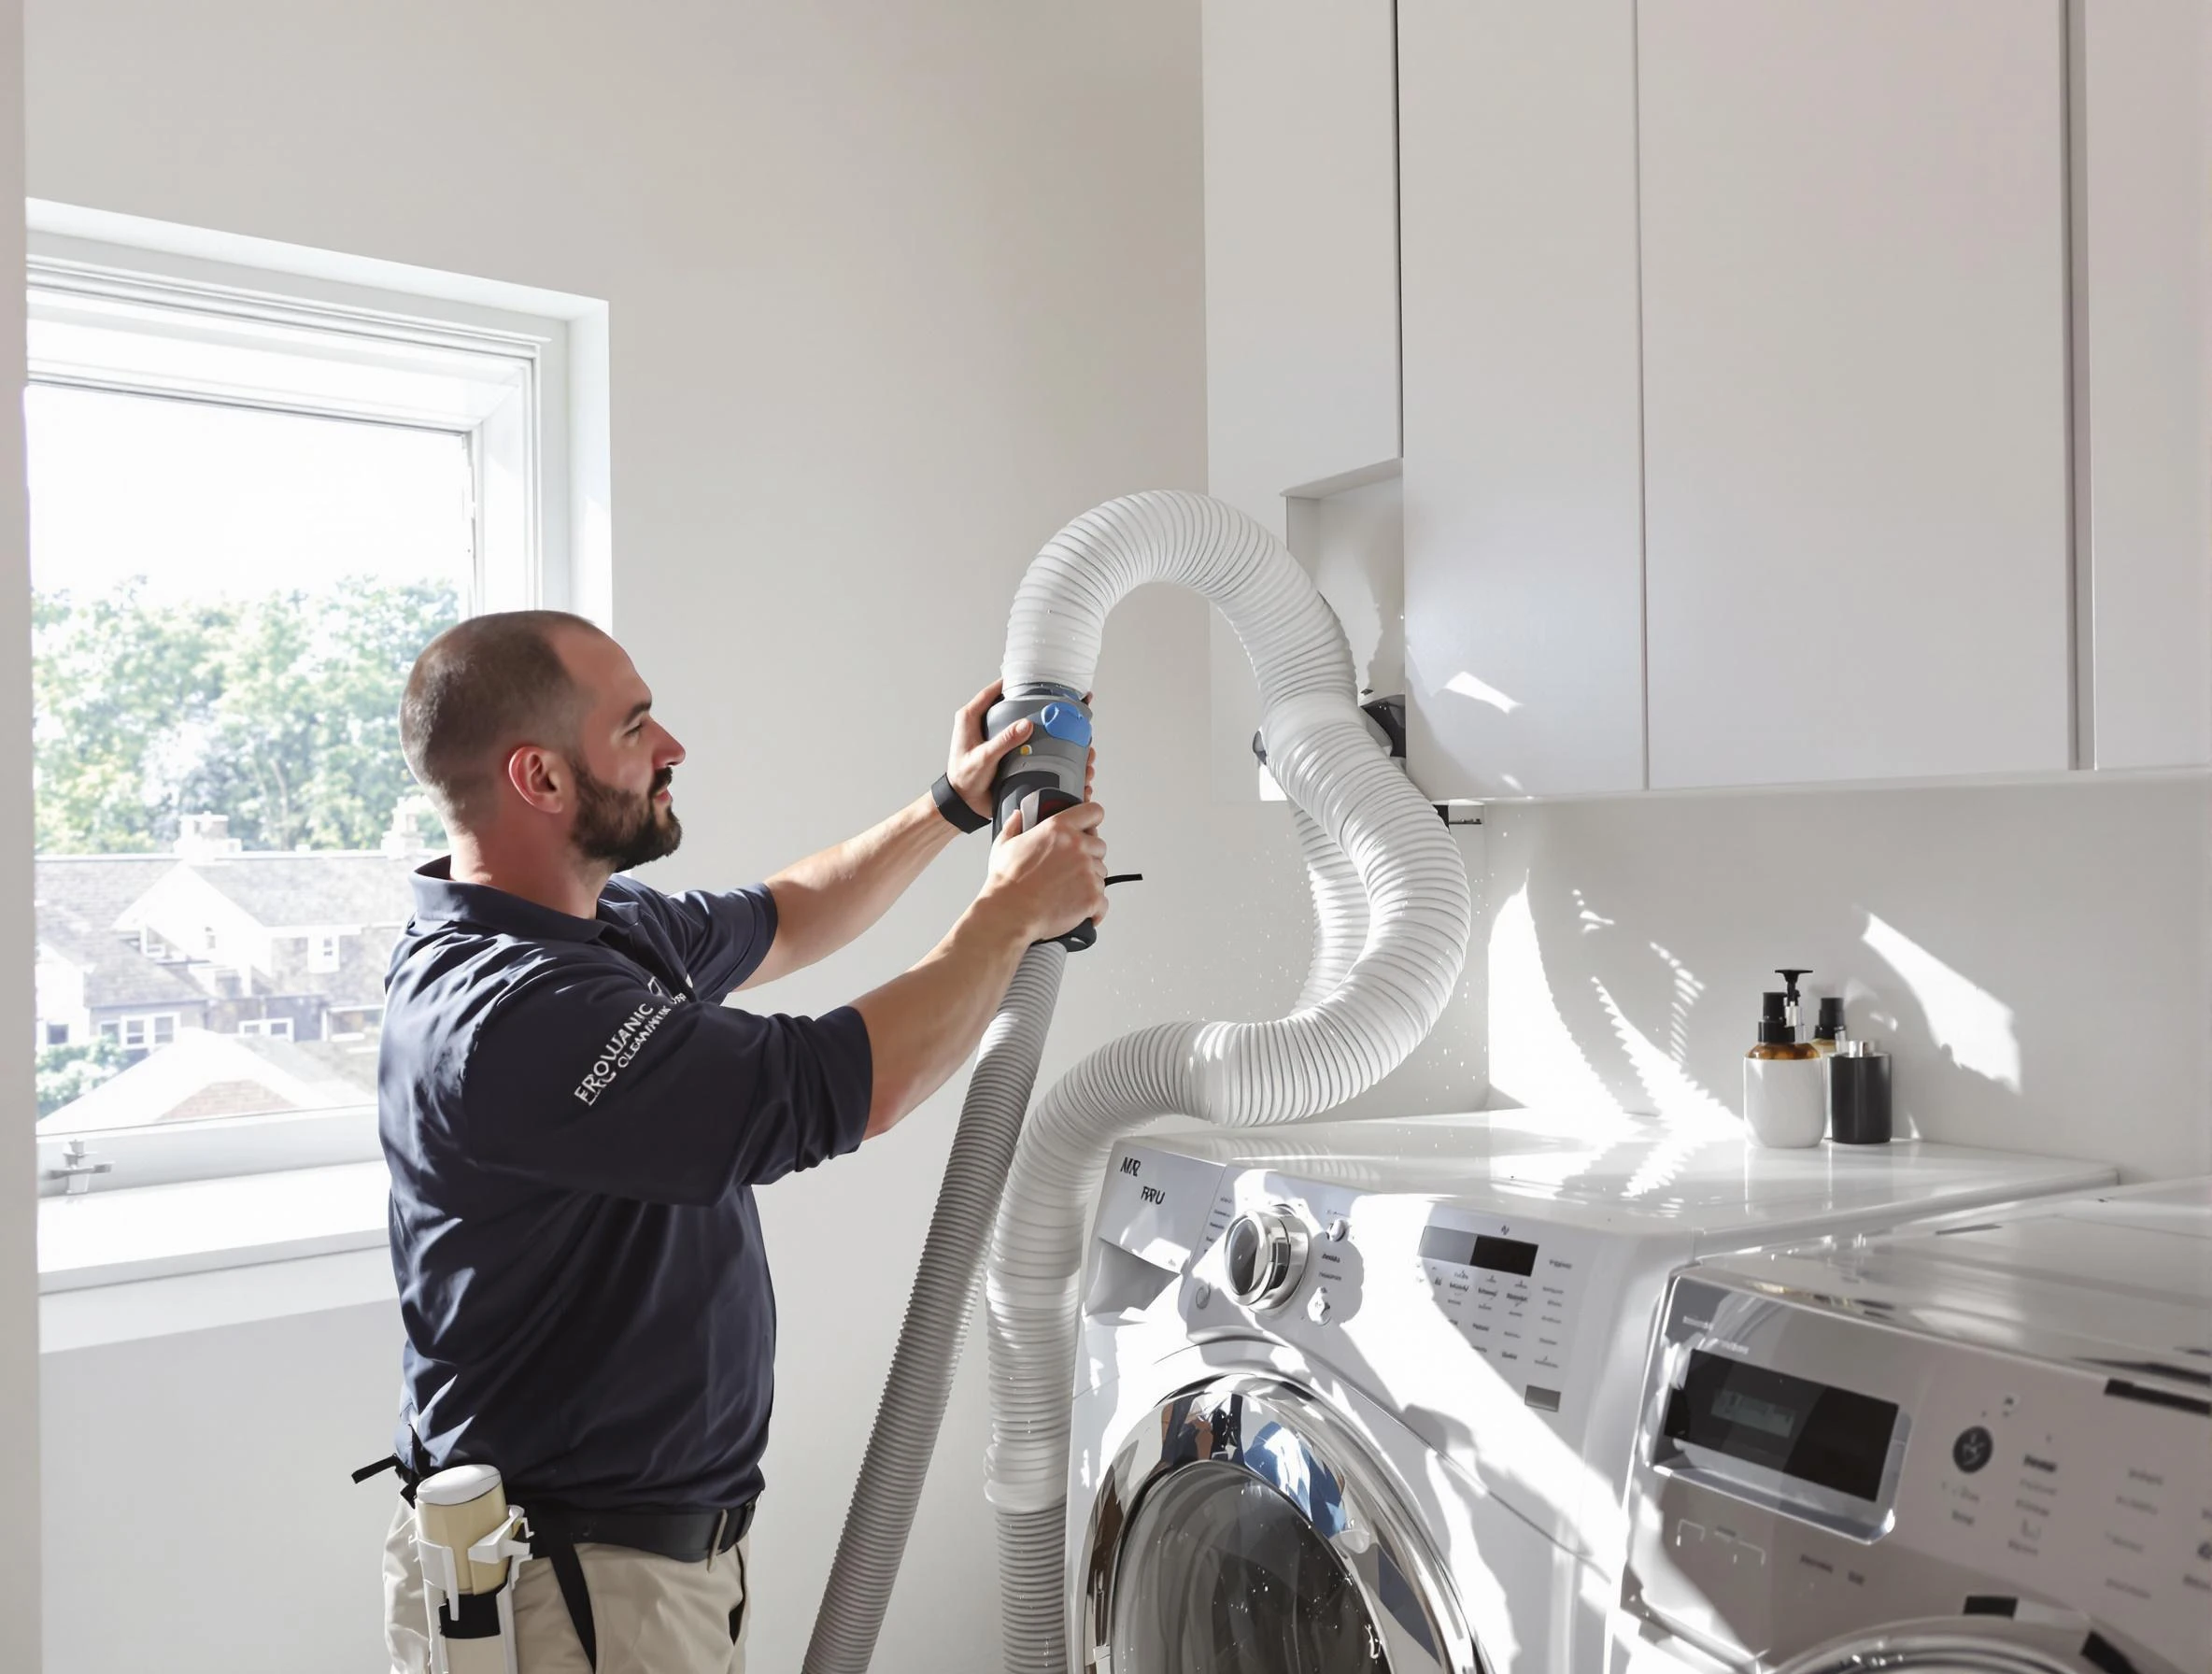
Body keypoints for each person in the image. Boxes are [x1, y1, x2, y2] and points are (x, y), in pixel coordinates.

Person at [369, 609, 1108, 1674]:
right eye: (635, 728)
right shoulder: (513, 1014)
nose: (672, 746)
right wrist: (1006, 913)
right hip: (569, 1584)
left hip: (635, 1562)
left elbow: (788, 915)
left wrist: (953, 806)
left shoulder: (595, 926)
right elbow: (843, 1084)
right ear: (540, 777)